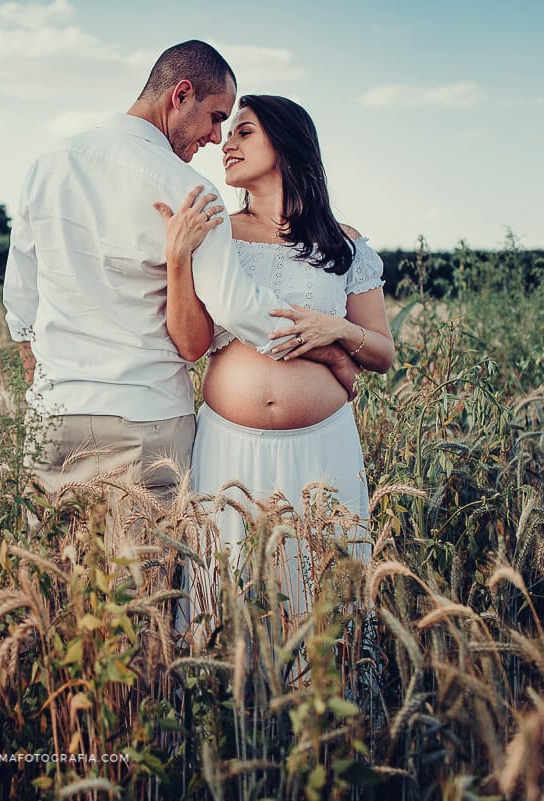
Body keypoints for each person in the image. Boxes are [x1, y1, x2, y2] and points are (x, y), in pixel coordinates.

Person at [2, 42, 359, 505]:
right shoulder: (188, 189)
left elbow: (20, 296)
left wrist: (42, 380)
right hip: (145, 417)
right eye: (215, 117)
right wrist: (333, 354)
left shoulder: (48, 164)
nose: (216, 138)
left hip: (53, 416)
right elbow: (234, 306)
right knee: (142, 575)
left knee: (57, 570)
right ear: (181, 94)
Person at [155, 95, 394, 641]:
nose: (225, 143)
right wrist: (177, 260)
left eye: (243, 131)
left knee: (323, 594)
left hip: (322, 446)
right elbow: (191, 344)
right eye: (226, 132)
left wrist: (339, 333)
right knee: (223, 592)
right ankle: (230, 717)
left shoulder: (346, 243)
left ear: (285, 144)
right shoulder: (217, 233)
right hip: (229, 448)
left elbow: (381, 354)